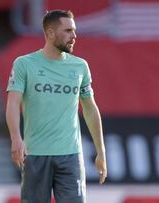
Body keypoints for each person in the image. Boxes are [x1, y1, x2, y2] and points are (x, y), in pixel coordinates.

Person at [6, 10, 107, 203]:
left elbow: (90, 109)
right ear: (50, 33)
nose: (74, 36)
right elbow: (13, 103)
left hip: (70, 156)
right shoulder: (24, 64)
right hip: (35, 154)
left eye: (74, 30)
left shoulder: (80, 66)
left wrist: (101, 152)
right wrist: (15, 138)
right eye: (68, 30)